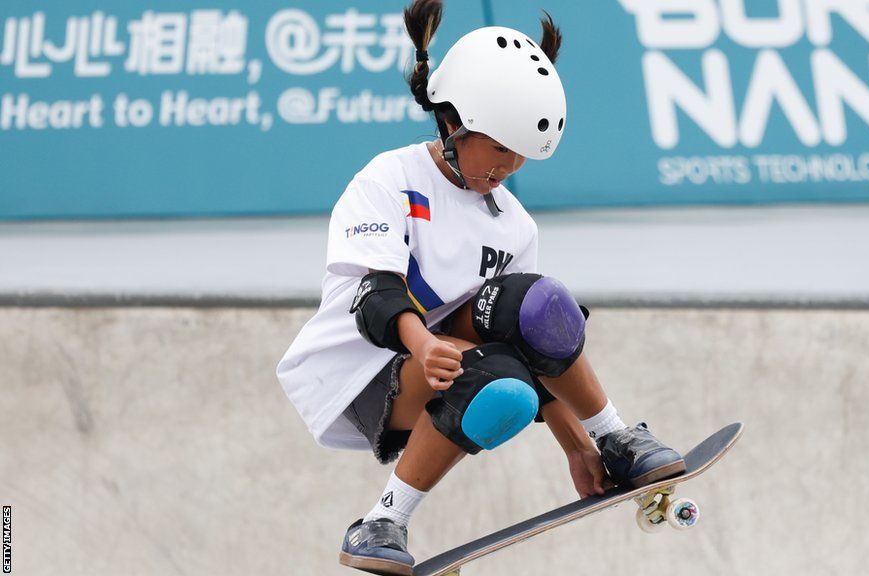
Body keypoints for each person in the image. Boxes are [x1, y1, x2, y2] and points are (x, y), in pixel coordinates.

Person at [276, 1, 686, 574]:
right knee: (496, 383)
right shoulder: (388, 179)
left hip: (452, 355)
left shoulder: (515, 224)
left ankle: (616, 437)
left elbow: (536, 349)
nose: (510, 165)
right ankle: (382, 522)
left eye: (522, 153)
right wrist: (422, 345)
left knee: (537, 312)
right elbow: (374, 296)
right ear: (452, 124)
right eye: (499, 148)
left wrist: (577, 446)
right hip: (361, 368)